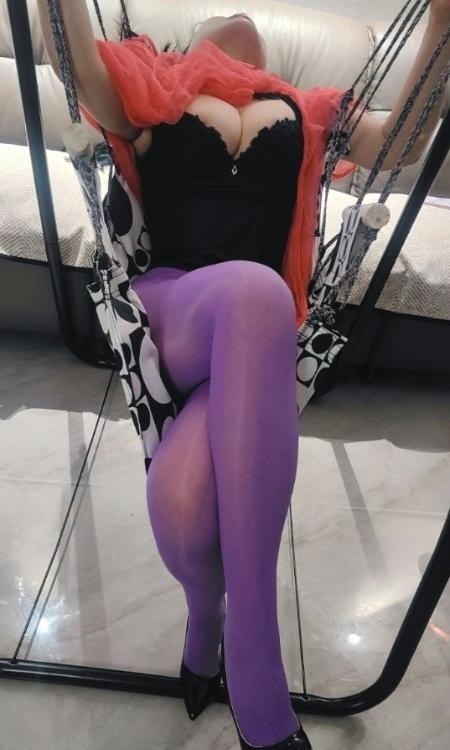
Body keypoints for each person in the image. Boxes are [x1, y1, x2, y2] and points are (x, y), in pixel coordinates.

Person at [37, 3, 450, 748]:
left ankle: (206, 623)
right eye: (220, 15)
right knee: (253, 290)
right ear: (189, 40)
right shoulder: (149, 83)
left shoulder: (308, 111)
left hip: (254, 342)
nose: (236, 17)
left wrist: (443, 26)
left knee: (188, 511)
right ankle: (258, 675)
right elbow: (75, 64)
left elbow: (402, 143)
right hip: (175, 310)